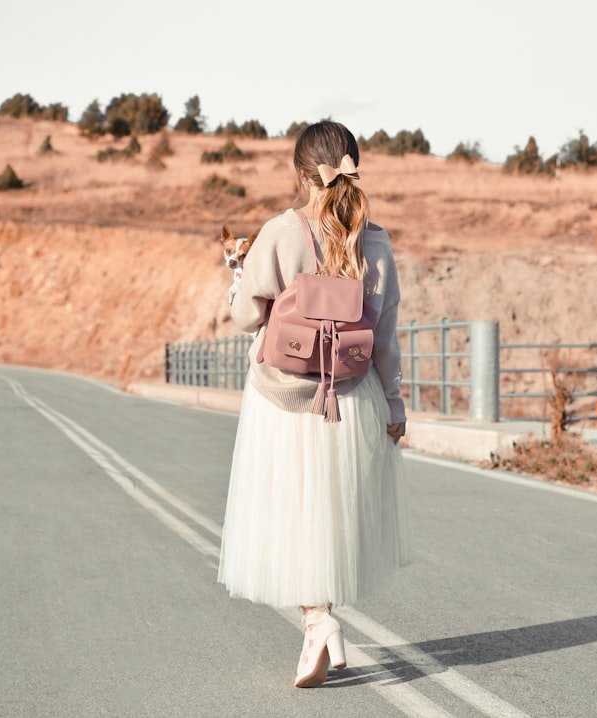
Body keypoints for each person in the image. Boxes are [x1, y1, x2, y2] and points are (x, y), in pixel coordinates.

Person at [216, 120, 414, 688]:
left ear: (302, 173)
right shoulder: (375, 242)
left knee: (292, 513)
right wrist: (394, 407)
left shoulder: (279, 231)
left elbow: (247, 316)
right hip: (351, 397)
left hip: (282, 400)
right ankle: (319, 624)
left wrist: (237, 274)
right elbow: (386, 335)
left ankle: (318, 621)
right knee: (328, 514)